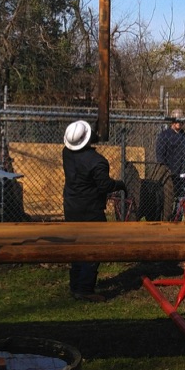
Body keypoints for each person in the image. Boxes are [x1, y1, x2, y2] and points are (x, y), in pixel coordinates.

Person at [62, 120, 125, 302]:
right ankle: (85, 289)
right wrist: (119, 184)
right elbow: (104, 186)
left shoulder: (66, 152)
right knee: (95, 247)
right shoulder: (97, 162)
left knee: (76, 247)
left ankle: (75, 285)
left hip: (71, 207)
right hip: (90, 210)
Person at [155, 108, 185, 203]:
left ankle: (179, 212)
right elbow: (160, 156)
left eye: (180, 120)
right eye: (176, 120)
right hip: (170, 176)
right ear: (172, 121)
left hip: (183, 175)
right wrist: (166, 172)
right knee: (168, 202)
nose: (179, 123)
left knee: (182, 202)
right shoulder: (164, 136)